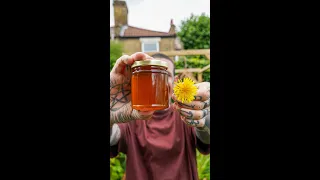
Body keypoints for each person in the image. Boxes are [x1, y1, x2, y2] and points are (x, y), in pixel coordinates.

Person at [110, 52, 210, 180]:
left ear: (175, 81)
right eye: (149, 76)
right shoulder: (131, 117)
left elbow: (206, 137)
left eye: (164, 75)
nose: (154, 82)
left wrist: (206, 116)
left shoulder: (186, 114)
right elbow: (113, 136)